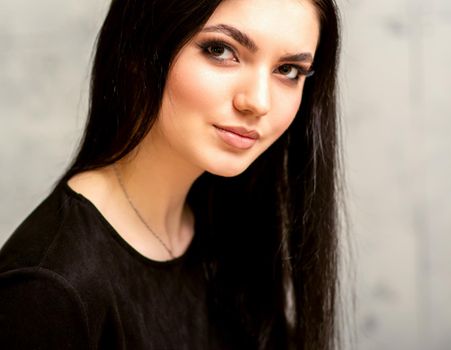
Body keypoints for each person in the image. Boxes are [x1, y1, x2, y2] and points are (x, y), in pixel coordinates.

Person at [0, 0, 342, 349]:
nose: (257, 101)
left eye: (287, 70)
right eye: (220, 50)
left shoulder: (233, 220)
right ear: (138, 48)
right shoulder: (49, 288)